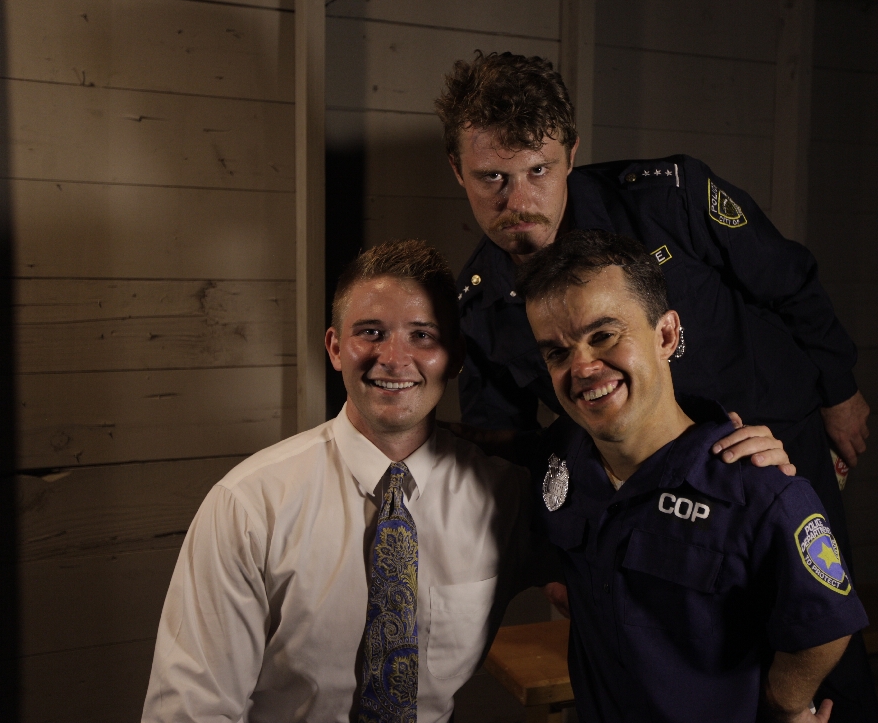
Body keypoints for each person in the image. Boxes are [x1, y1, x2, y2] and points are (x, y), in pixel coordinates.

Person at [140, 239, 786, 722]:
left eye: (422, 336)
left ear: (453, 358)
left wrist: (716, 453)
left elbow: (650, 569)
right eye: (371, 333)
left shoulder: (510, 494)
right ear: (335, 347)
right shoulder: (248, 505)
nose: (395, 358)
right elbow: (190, 709)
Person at [436, 51, 878, 720]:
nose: (518, 201)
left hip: (770, 450)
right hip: (641, 499)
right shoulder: (479, 304)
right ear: (458, 170)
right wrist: (562, 547)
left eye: (538, 171)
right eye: (491, 177)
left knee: (823, 661)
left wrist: (839, 392)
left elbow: (788, 280)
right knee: (672, 668)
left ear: (571, 153)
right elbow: (509, 445)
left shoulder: (668, 196)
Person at [520, 229, 869, 723]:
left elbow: (827, 625)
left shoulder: (759, 487)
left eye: (603, 336)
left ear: (666, 335)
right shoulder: (561, 456)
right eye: (557, 353)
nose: (582, 367)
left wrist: (786, 704)